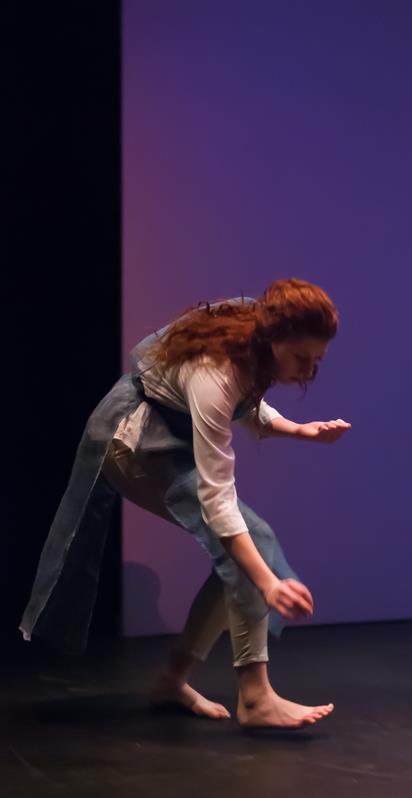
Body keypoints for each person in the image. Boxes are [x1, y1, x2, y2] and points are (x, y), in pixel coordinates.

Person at [20, 278, 351, 729]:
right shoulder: (215, 370)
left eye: (318, 361)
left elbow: (246, 399)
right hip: (133, 441)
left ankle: (173, 681)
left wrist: (297, 429)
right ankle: (255, 698)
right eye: (301, 359)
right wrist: (269, 584)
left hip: (170, 432)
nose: (308, 372)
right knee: (250, 542)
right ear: (275, 340)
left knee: (247, 548)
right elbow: (218, 493)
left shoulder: (254, 338)